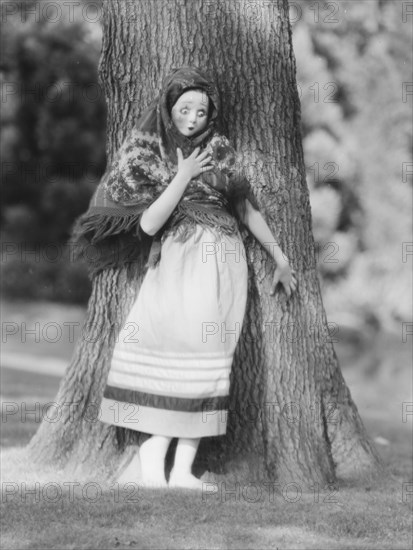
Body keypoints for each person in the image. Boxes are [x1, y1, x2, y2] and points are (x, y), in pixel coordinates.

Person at [71, 66, 297, 490]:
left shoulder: (220, 149)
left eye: (201, 110)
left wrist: (279, 257)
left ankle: (182, 471)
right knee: (172, 353)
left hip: (226, 261)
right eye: (184, 109)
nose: (192, 118)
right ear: (169, 109)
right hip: (181, 259)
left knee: (212, 357)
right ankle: (153, 466)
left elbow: (245, 208)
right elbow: (151, 224)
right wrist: (183, 175)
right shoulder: (152, 152)